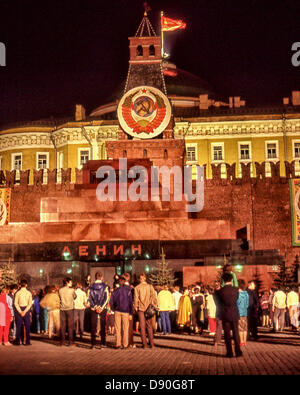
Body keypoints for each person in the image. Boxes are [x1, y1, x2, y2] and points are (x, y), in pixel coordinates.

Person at [215, 272, 242, 358]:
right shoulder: (236, 289)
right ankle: (238, 351)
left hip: (225, 313)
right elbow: (237, 299)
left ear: (223, 280)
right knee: (236, 333)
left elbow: (217, 302)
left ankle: (229, 352)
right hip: (234, 312)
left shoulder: (220, 291)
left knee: (227, 334)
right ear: (231, 280)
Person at [134, 273, 157, 349]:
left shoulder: (137, 288)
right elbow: (154, 297)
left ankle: (144, 344)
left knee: (142, 327)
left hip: (141, 308)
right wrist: (154, 305)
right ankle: (152, 344)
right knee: (149, 326)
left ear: (139, 279)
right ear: (145, 278)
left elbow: (136, 299)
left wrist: (136, 308)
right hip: (149, 308)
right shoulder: (150, 287)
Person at [110, 273, 133, 349]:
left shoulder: (115, 291)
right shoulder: (128, 290)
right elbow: (130, 302)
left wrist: (113, 309)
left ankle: (118, 344)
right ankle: (125, 344)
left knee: (117, 328)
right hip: (126, 311)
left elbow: (111, 301)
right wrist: (130, 313)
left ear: (119, 282)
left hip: (117, 311)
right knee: (125, 328)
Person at [88, 271, 110, 349]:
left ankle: (93, 344)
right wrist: (101, 307)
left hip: (93, 308)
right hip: (102, 309)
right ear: (102, 277)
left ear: (95, 277)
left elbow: (89, 298)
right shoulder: (105, 286)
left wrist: (95, 306)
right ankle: (103, 343)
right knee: (103, 326)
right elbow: (107, 298)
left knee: (93, 327)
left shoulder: (91, 287)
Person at [14, 279, 33, 346]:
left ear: (20, 285)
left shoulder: (17, 293)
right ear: (26, 285)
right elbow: (30, 304)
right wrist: (25, 311)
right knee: (27, 326)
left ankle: (18, 341)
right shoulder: (29, 293)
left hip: (19, 309)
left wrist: (20, 311)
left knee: (18, 326)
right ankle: (27, 341)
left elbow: (15, 303)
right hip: (26, 309)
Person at [59, 278, 76, 347]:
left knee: (63, 326)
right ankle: (70, 342)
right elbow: (75, 297)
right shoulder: (72, 290)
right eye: (70, 282)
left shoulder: (60, 290)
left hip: (62, 309)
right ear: (67, 282)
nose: (71, 283)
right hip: (70, 309)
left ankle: (62, 342)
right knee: (70, 326)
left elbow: (59, 298)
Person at [237, 279, 249, 347]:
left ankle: (241, 341)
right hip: (245, 312)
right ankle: (245, 341)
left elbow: (237, 303)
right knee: (245, 327)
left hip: (239, 312)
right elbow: (247, 304)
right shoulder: (246, 294)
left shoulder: (238, 294)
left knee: (240, 328)